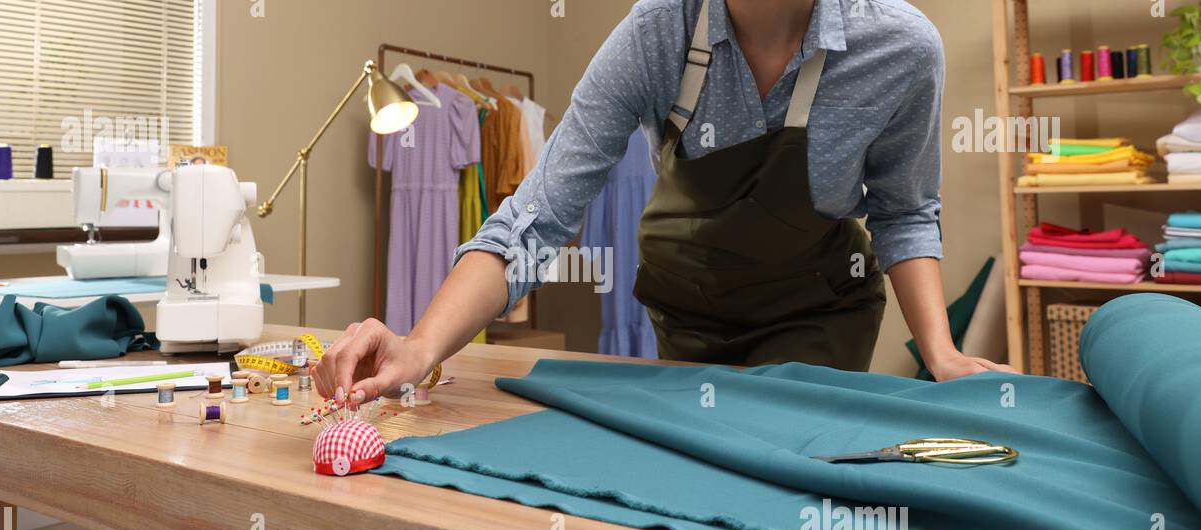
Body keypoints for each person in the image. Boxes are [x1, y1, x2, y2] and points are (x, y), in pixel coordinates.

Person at [312, 0, 1016, 403]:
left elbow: (904, 210)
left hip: (816, 317)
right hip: (690, 317)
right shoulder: (657, 34)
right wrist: (418, 346)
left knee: (789, 471)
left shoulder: (901, 50)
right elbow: (537, 216)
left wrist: (942, 353)